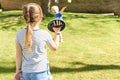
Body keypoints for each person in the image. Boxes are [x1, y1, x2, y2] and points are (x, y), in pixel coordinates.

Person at [14, 3, 62, 80]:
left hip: (25, 72)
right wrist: (57, 33)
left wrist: (17, 71)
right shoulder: (44, 34)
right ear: (40, 16)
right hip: (41, 72)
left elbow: (18, 55)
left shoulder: (19, 34)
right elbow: (54, 47)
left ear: (24, 17)